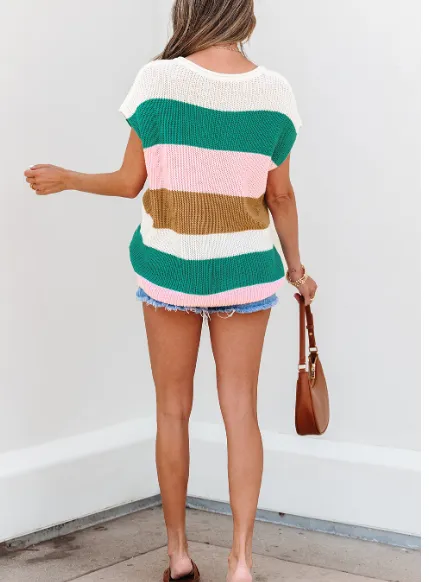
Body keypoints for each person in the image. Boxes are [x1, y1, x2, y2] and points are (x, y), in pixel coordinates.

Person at [24, 1, 317, 580]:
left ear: (189, 10)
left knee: (171, 409)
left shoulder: (156, 80)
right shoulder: (275, 92)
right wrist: (296, 269)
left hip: (170, 270)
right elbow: (280, 196)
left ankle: (179, 555)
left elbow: (129, 182)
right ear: (242, 14)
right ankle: (241, 561)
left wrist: (68, 178)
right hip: (244, 270)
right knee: (241, 411)